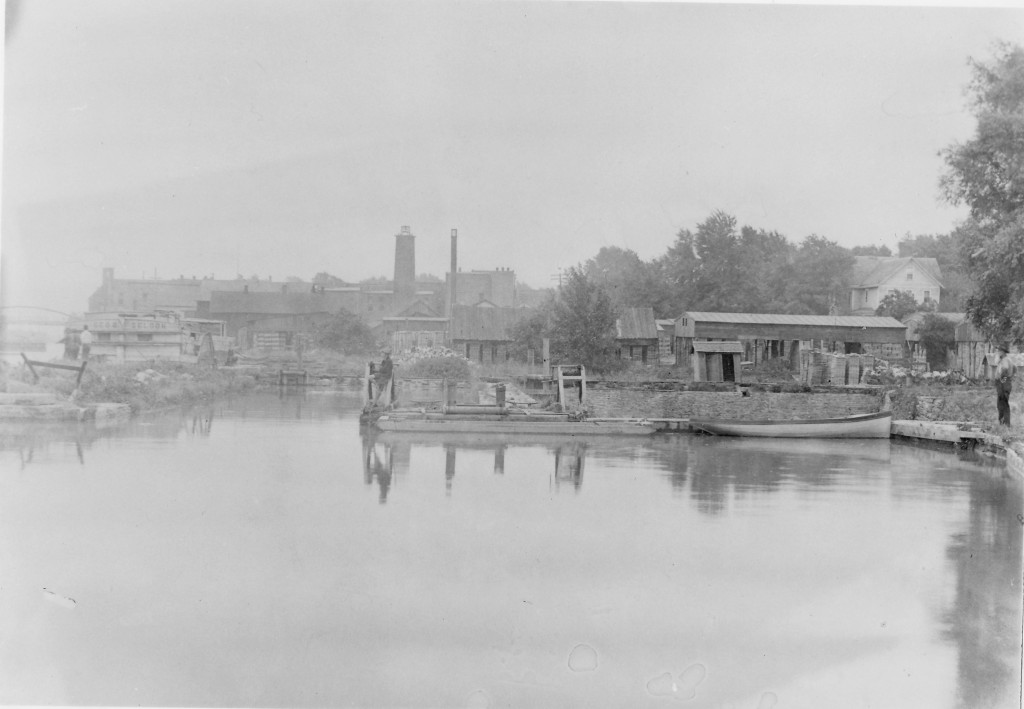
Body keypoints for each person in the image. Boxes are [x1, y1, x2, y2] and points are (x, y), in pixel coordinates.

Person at [994, 342, 1016, 426]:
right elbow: (1015, 369)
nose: (998, 352)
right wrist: (1010, 377)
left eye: (999, 351)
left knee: (1002, 404)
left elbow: (1005, 368)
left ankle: (1004, 424)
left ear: (1002, 352)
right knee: (1002, 403)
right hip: (1006, 383)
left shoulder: (1005, 360)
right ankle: (1004, 423)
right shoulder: (1007, 360)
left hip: (1003, 384)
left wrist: (1002, 378)